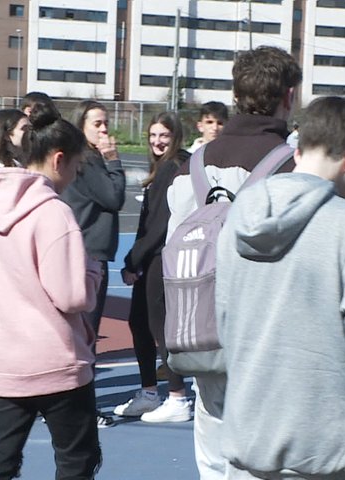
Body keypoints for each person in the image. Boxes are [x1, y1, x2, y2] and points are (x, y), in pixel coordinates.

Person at [215, 96, 345, 479]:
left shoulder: (239, 215)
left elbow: (224, 318)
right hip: (329, 443)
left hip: (249, 434)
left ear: (298, 150)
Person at [165, 45, 302, 479]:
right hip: (266, 335)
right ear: (289, 95)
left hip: (203, 324)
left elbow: (176, 241)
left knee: (213, 455)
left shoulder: (197, 161)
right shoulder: (291, 163)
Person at [0, 104, 103, 479]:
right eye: (77, 167)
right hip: (53, 357)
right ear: (59, 160)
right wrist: (91, 271)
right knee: (77, 458)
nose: (76, 177)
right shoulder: (52, 212)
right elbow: (73, 296)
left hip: (2, 359)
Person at [114, 112, 193, 423]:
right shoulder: (163, 167)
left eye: (164, 135)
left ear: (176, 137)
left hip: (163, 255)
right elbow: (148, 221)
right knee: (139, 322)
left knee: (161, 327)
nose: (157, 141)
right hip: (152, 255)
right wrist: (135, 258)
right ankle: (149, 392)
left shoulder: (173, 168)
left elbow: (159, 223)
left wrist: (134, 258)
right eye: (153, 136)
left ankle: (177, 396)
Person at [61, 100, 127, 428]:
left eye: (105, 124)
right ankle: (79, 408)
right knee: (85, 337)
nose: (104, 130)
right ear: (82, 127)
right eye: (97, 124)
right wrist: (114, 162)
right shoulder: (89, 161)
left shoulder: (83, 159)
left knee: (77, 336)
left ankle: (69, 405)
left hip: (82, 252)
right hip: (87, 255)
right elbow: (114, 198)